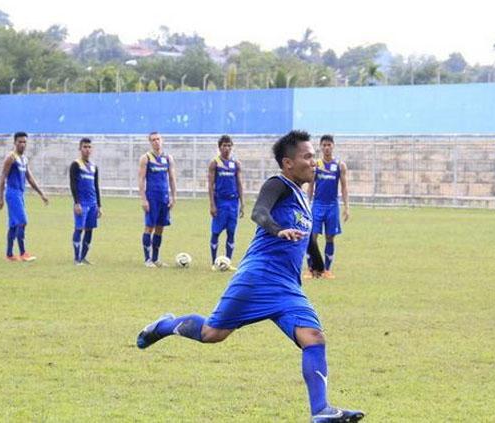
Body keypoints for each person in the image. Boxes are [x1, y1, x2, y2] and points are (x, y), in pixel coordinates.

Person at [136, 130, 365, 422]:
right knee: (212, 334)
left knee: (314, 338)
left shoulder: (303, 201)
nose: (314, 161)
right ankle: (164, 325)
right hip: (257, 277)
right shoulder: (277, 183)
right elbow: (259, 213)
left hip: (287, 287)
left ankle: (321, 410)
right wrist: (276, 229)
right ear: (288, 163)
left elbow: (307, 240)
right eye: (308, 156)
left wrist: (318, 265)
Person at [0, 131, 49, 262]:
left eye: (24, 142)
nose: (22, 144)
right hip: (12, 193)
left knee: (14, 225)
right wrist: (0, 197)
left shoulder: (24, 159)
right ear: (15, 143)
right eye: (20, 142)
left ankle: (9, 254)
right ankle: (23, 253)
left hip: (20, 193)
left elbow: (29, 178)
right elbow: (3, 176)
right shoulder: (11, 158)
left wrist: (41, 193)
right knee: (22, 221)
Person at [305, 135, 350, 279]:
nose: (326, 147)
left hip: (332, 206)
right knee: (312, 237)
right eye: (324, 145)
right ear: (320, 146)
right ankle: (311, 269)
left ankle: (327, 270)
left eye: (329, 145)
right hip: (317, 204)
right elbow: (311, 186)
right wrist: (307, 204)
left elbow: (344, 187)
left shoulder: (339, 165)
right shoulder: (316, 165)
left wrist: (346, 207)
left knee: (330, 237)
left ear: (333, 146)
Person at [138, 132, 177, 267]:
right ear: (150, 142)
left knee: (160, 228)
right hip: (152, 197)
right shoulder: (146, 158)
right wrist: (143, 199)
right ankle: (147, 259)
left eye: (158, 139)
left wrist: (173, 196)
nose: (156, 142)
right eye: (153, 140)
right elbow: (141, 179)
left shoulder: (168, 158)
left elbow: (171, 178)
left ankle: (155, 258)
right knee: (149, 227)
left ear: (162, 140)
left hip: (164, 197)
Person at [208, 135, 245, 269]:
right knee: (216, 232)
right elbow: (210, 185)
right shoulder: (215, 163)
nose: (227, 148)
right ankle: (213, 262)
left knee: (231, 232)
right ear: (219, 147)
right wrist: (212, 204)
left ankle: (227, 262)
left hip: (233, 202)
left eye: (229, 145)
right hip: (220, 201)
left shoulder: (236, 163)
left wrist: (242, 203)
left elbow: (239, 183)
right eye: (224, 145)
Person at [69, 138, 102, 265]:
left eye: (89, 147)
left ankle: (83, 257)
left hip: (93, 203)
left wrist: (99, 205)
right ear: (80, 148)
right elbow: (73, 184)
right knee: (79, 228)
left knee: (90, 229)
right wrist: (76, 202)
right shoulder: (76, 165)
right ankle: (76, 258)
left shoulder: (94, 167)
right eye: (85, 147)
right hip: (82, 202)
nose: (87, 149)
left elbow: (96, 186)